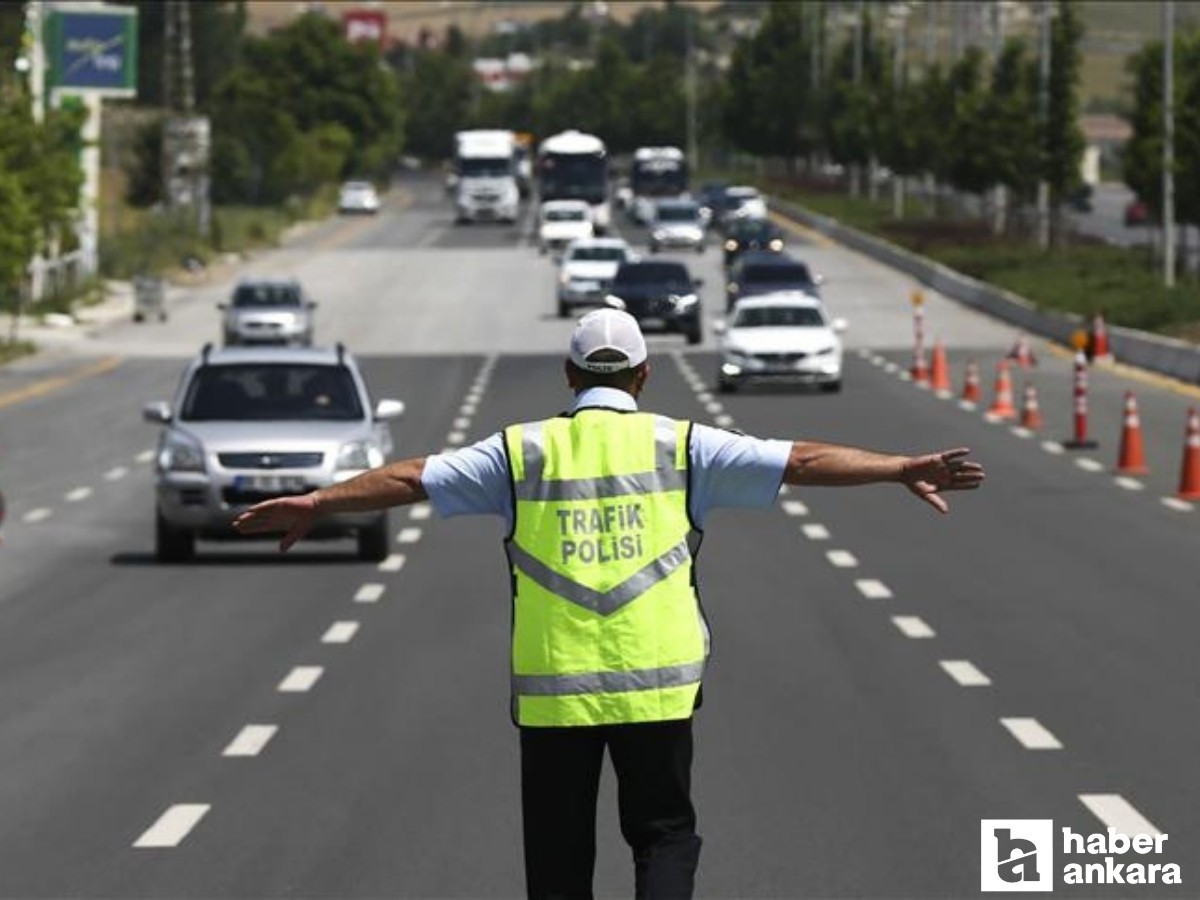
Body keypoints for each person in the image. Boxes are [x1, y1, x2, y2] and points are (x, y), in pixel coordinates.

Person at [233, 308, 985, 899]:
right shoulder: (685, 445)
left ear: (567, 373)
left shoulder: (519, 452)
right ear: (645, 374)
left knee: (560, 861)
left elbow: (408, 478)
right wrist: (898, 467)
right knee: (663, 837)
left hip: (555, 692)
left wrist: (319, 501)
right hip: (658, 682)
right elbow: (803, 459)